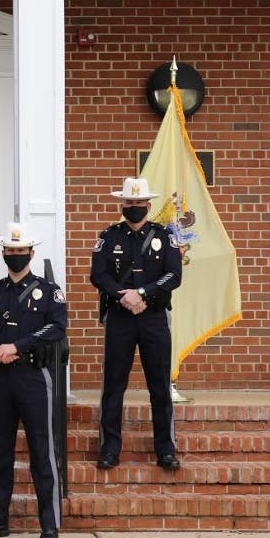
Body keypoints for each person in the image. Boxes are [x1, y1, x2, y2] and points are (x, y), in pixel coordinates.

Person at [0, 222, 67, 538]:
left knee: (42, 452)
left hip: (34, 377)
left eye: (20, 250)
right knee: (1, 454)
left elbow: (57, 327)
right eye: (9, 250)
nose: (14, 255)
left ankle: (49, 525)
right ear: (3, 253)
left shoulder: (48, 291)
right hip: (1, 379)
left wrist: (17, 346)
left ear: (31, 253)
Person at [91, 177, 183, 472]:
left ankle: (165, 449)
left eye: (139, 202)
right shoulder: (109, 236)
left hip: (154, 317)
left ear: (148, 205)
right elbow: (98, 275)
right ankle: (109, 448)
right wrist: (124, 296)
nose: (134, 206)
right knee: (113, 385)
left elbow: (174, 275)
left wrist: (142, 293)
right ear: (122, 205)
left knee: (159, 386)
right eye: (129, 202)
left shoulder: (164, 236)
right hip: (120, 317)